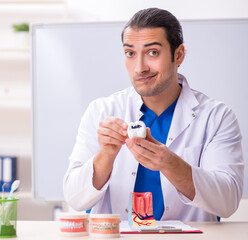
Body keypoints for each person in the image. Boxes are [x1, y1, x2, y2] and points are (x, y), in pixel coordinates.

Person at [63, 8, 244, 222]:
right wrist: (106, 155)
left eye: (153, 53)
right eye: (130, 53)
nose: (139, 68)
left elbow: (227, 202)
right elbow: (75, 199)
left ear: (178, 55)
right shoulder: (101, 111)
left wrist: (170, 164)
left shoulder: (216, 117)